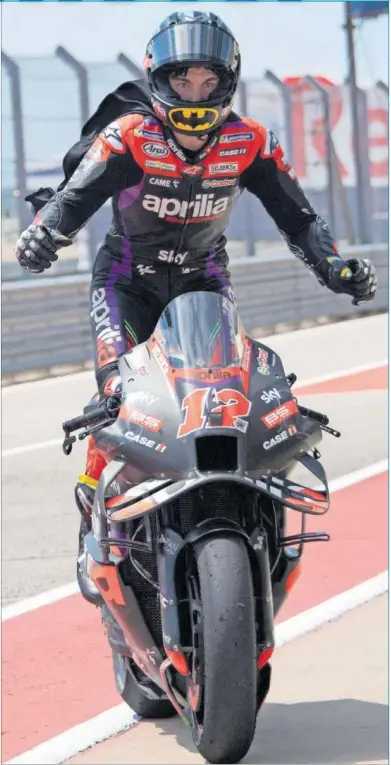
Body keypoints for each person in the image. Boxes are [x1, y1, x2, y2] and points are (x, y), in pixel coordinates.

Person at [15, 11, 377, 604]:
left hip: (205, 284)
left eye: (209, 83)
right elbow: (73, 200)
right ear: (159, 77)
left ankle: (246, 510)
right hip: (126, 283)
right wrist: (43, 235)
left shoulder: (252, 141)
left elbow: (298, 218)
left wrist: (334, 268)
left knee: (224, 396)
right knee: (117, 398)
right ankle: (92, 513)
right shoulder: (128, 135)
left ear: (228, 81)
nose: (196, 95)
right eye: (183, 81)